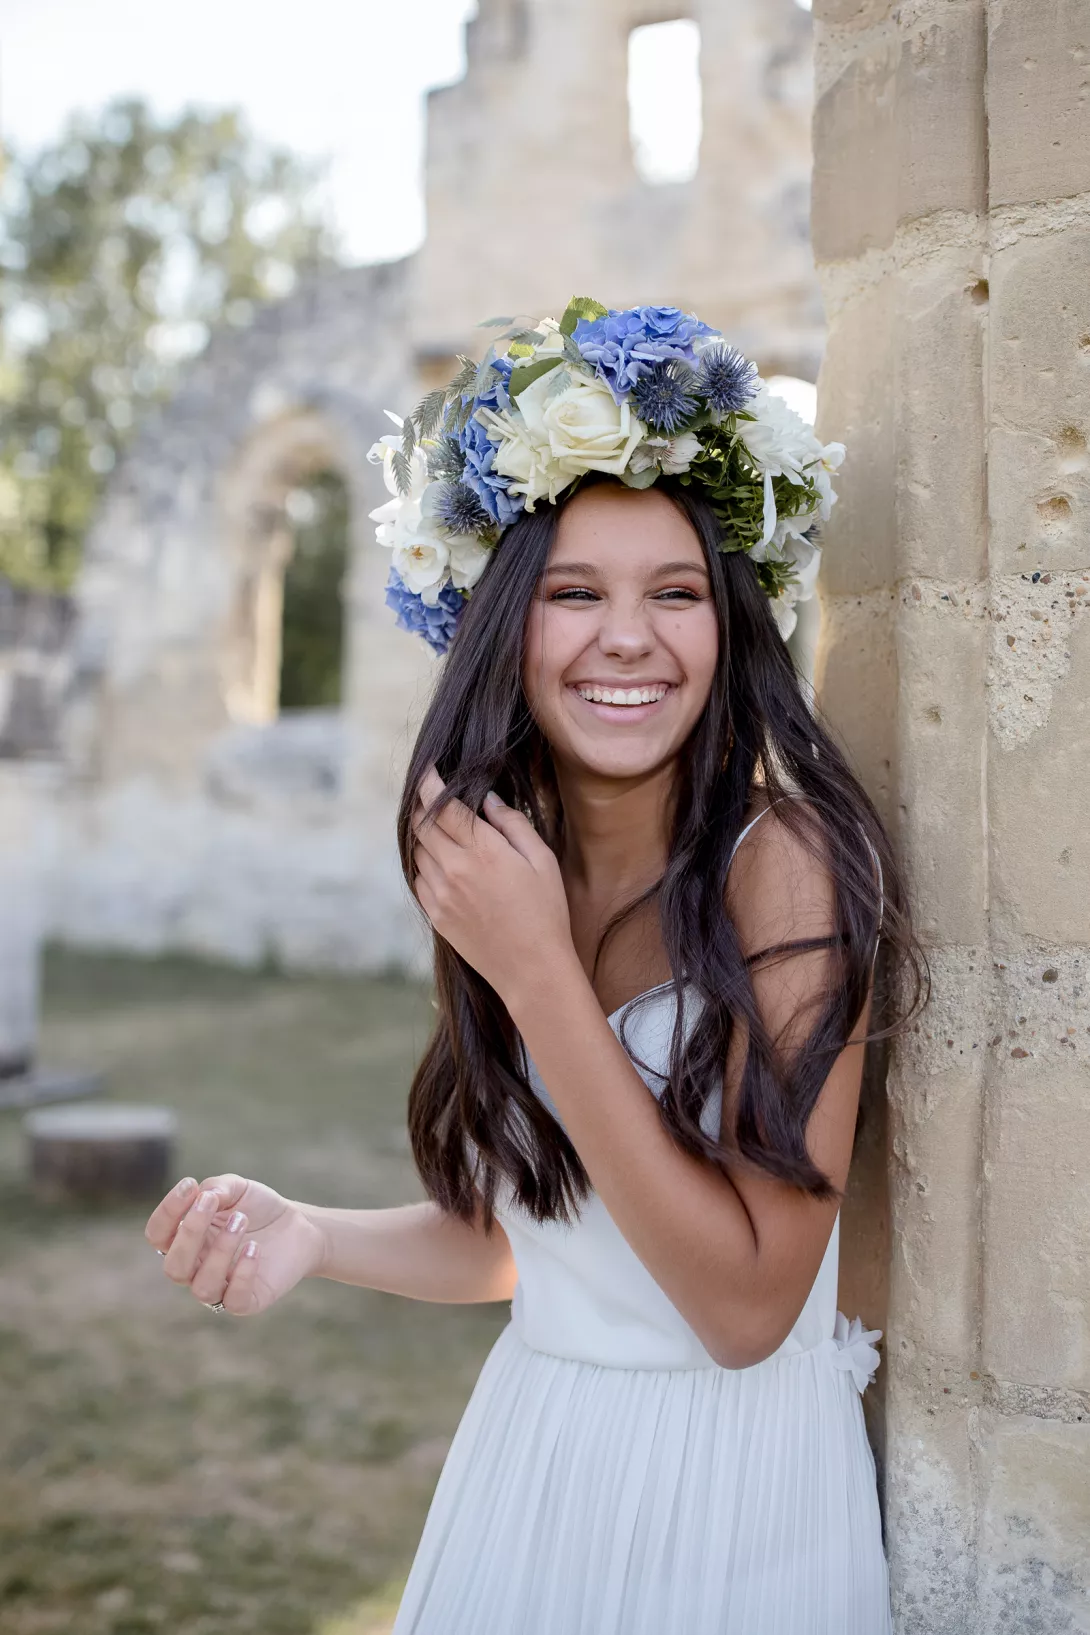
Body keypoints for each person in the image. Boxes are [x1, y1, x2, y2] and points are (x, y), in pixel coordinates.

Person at [145, 301, 929, 1633]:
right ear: (504, 626)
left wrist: (538, 975)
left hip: (731, 1504)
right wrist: (315, 1234)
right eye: (574, 593)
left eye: (674, 592)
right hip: (534, 1458)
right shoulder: (512, 861)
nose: (627, 636)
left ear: (732, 623)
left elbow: (744, 1308)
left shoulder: (786, 863)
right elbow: (542, 1236)